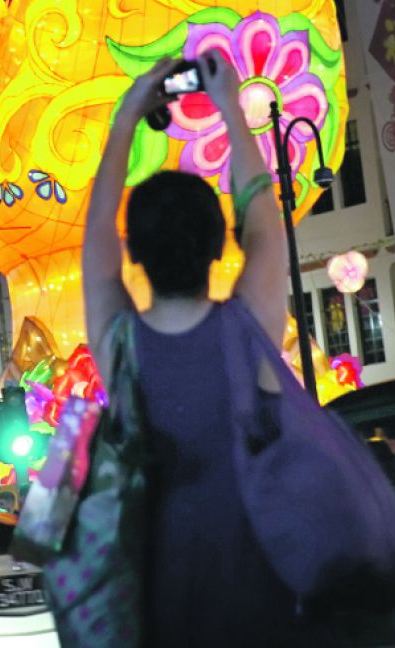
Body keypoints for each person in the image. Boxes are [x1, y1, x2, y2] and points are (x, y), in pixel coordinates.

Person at [82, 50, 298, 646]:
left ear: (134, 256)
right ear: (218, 246)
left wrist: (127, 118)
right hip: (259, 600)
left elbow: (96, 232)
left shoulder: (121, 346)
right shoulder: (248, 330)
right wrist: (231, 107)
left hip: (153, 609)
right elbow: (264, 222)